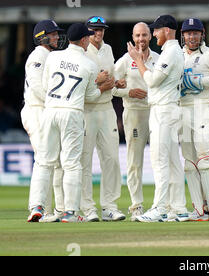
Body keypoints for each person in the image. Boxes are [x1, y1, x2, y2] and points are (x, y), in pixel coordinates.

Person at [27, 23, 115, 223]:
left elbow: (48, 84)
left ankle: (37, 207)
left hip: (50, 111)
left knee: (43, 161)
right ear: (84, 40)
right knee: (72, 164)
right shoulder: (89, 65)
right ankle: (70, 212)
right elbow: (91, 95)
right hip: (72, 113)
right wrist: (102, 87)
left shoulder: (53, 57)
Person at [127, 15, 189, 222]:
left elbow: (152, 81)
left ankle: (160, 208)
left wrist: (138, 61)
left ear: (168, 31)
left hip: (163, 110)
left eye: (156, 30)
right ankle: (178, 208)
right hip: (167, 109)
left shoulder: (171, 52)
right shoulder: (171, 51)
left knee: (160, 160)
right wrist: (144, 63)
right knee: (172, 161)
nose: (153, 34)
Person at [179, 18, 209, 221]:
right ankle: (199, 208)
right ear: (183, 35)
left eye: (195, 33)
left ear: (202, 34)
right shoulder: (176, 56)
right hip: (182, 109)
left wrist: (198, 81)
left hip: (204, 106)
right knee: (189, 161)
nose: (192, 37)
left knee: (205, 156)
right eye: (188, 33)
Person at [81, 16, 126, 222]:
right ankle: (87, 208)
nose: (98, 34)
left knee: (112, 159)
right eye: (94, 30)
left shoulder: (107, 49)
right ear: (87, 31)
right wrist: (98, 85)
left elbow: (112, 76)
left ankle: (109, 207)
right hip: (87, 109)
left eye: (101, 30)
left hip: (107, 109)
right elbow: (79, 85)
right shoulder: (81, 50)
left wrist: (118, 83)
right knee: (85, 160)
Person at [113, 22, 160, 221]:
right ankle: (137, 205)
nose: (141, 39)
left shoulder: (159, 59)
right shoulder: (125, 60)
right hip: (133, 113)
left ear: (150, 36)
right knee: (134, 162)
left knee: (160, 159)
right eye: (137, 36)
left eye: (144, 35)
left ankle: (161, 204)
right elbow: (111, 88)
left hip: (156, 112)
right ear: (133, 37)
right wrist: (128, 92)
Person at [23, 19, 66, 222]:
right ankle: (37, 208)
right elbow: (37, 88)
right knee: (44, 159)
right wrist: (57, 100)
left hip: (47, 110)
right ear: (42, 37)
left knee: (55, 162)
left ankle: (55, 210)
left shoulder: (51, 56)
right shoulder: (38, 56)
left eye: (57, 33)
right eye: (54, 34)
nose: (57, 37)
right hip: (37, 111)